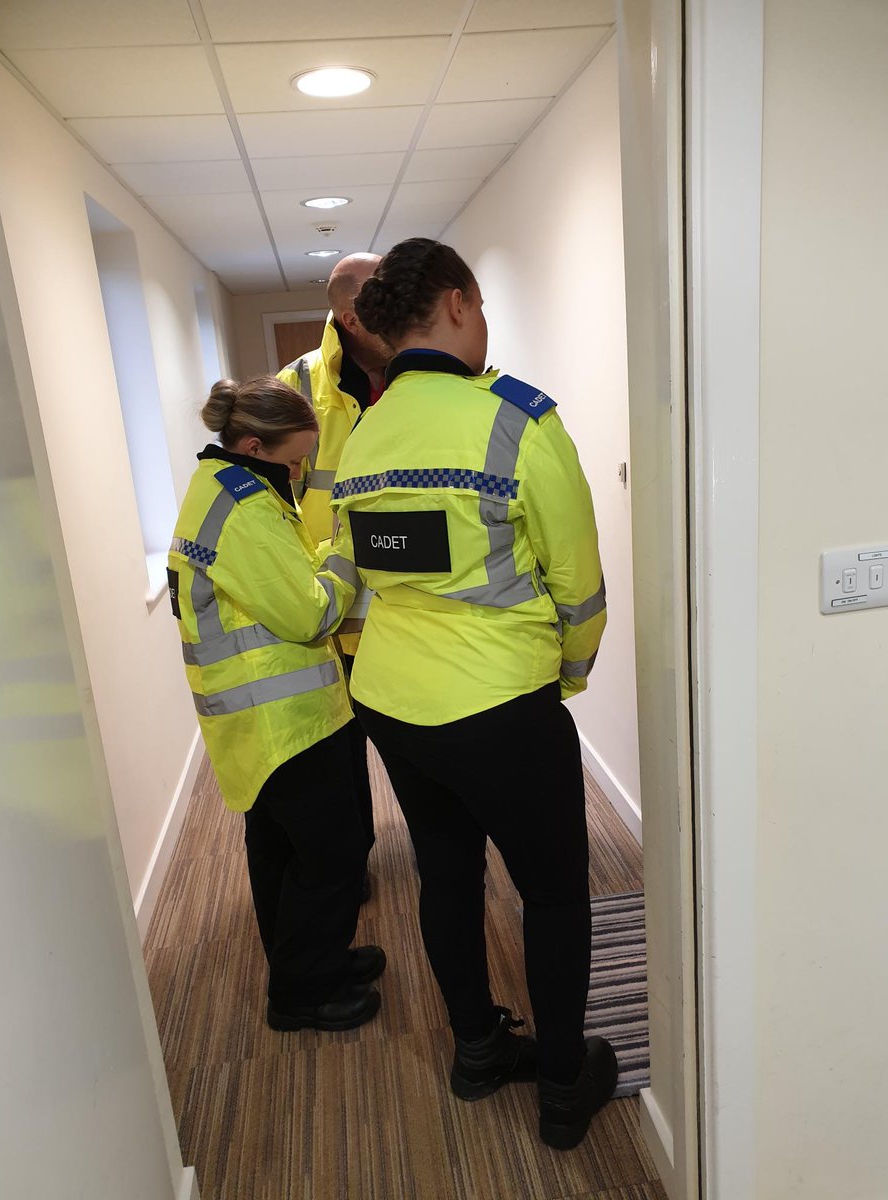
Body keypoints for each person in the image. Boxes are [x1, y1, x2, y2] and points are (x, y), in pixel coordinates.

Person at [319, 238, 619, 1149]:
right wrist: (567, 676)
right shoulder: (516, 422)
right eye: (480, 309)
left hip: (394, 707)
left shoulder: (364, 433)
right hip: (500, 707)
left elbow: (368, 569)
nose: (484, 326)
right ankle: (565, 1086)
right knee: (556, 892)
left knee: (447, 874)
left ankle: (478, 1050)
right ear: (455, 303)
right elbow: (579, 586)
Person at [167, 375, 383, 1032]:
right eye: (294, 461)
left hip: (260, 721)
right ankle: (302, 993)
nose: (301, 473)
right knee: (333, 853)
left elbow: (276, 583)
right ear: (254, 445)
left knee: (282, 853)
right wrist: (347, 553)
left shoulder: (227, 488)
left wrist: (315, 558)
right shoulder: (245, 510)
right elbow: (311, 615)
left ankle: (311, 961)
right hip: (282, 721)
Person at [278, 253, 393, 899]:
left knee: (419, 748)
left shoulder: (420, 374)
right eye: (387, 299)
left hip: (411, 612)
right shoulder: (294, 389)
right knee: (342, 759)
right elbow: (272, 507)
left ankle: (446, 854)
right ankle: (354, 868)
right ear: (351, 315)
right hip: (332, 616)